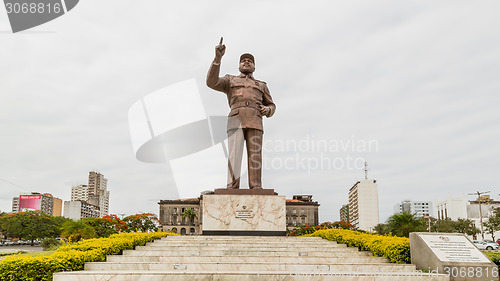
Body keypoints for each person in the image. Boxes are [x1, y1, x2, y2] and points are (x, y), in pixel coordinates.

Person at [206, 38, 276, 189]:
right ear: (239, 65)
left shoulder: (261, 85)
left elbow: (271, 104)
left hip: (255, 120)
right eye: (243, 60)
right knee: (234, 156)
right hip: (236, 119)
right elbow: (211, 82)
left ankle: (256, 186)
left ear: (254, 66)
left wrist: (268, 110)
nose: (246, 62)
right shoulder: (230, 80)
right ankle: (232, 186)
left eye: (250, 61)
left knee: (255, 156)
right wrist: (218, 58)